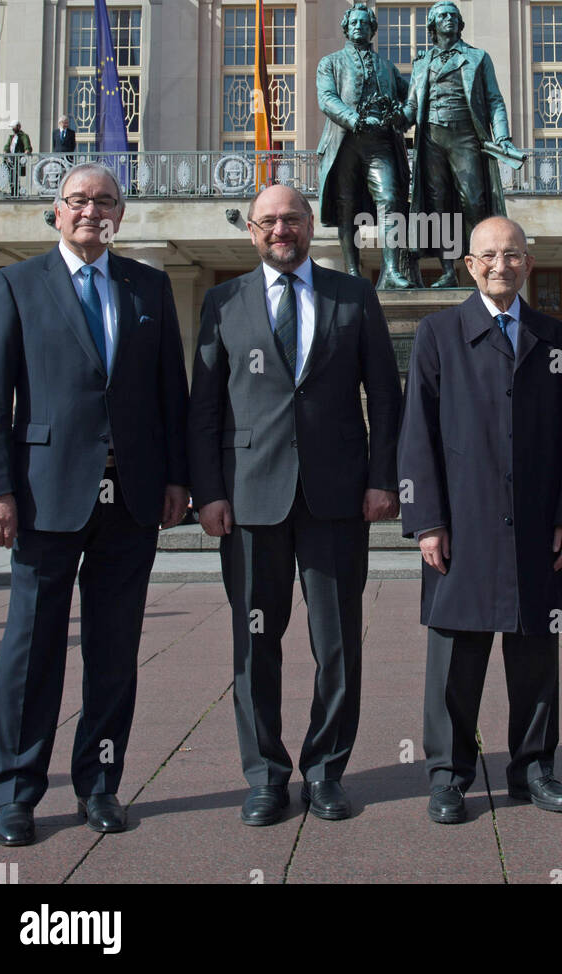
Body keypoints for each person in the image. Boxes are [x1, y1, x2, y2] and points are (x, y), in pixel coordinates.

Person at [0, 163, 190, 847]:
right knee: (31, 650)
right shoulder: (15, 285)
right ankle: (16, 793)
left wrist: (176, 480)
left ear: (120, 214)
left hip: (130, 499)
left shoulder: (148, 287)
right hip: (42, 497)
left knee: (113, 650)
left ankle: (99, 784)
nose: (91, 211)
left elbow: (170, 397)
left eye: (105, 201)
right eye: (78, 201)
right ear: (56, 212)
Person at [188, 184, 402, 825]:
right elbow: (204, 408)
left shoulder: (354, 296)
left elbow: (386, 399)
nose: (282, 230)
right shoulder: (224, 302)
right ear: (252, 232)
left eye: (293, 219)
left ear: (312, 226)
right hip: (250, 501)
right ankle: (265, 775)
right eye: (269, 221)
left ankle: (326, 770)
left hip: (337, 498)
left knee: (337, 644)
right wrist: (209, 493)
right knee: (256, 643)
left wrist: (382, 478)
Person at [398, 215, 562, 823]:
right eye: (488, 256)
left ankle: (533, 769)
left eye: (512, 255)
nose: (500, 265)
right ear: (469, 265)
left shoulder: (556, 339)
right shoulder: (439, 333)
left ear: (527, 264)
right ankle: (449, 775)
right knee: (456, 655)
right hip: (462, 523)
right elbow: (416, 434)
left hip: (537, 525)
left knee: (535, 652)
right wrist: (426, 520)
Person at [402, 1, 522, 288]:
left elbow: (494, 100)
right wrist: (390, 120)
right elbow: (411, 107)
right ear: (432, 25)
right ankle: (447, 270)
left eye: (454, 16)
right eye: (443, 16)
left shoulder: (478, 57)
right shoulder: (422, 63)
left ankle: (482, 263)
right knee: (438, 204)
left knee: (474, 201)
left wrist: (502, 136)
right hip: (431, 138)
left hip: (464, 136)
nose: (450, 20)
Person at [316, 2, 411, 288]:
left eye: (364, 23)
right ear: (346, 28)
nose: (359, 27)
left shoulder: (387, 66)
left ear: (372, 29)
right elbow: (327, 99)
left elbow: (411, 100)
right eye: (354, 23)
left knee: (391, 198)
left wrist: (402, 111)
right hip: (345, 143)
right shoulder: (330, 63)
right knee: (347, 206)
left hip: (380, 143)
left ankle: (392, 270)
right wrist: (354, 118)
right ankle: (353, 273)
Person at [3, 120, 32, 195]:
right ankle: (13, 191)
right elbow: (7, 146)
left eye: (14, 127)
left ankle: (15, 192)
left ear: (18, 127)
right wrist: (5, 151)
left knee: (15, 175)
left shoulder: (23, 136)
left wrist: (27, 150)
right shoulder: (11, 137)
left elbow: (27, 144)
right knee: (10, 175)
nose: (13, 129)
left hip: (17, 159)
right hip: (10, 159)